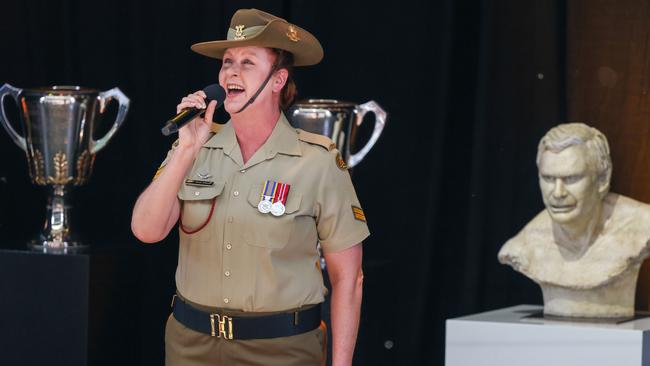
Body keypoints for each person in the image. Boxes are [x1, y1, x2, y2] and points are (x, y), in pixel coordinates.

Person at [131, 8, 369, 366]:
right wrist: (185, 151)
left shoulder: (316, 160)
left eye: (247, 62)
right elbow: (146, 230)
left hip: (282, 350)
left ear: (277, 80)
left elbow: (348, 278)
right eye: (227, 62)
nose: (232, 72)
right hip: (192, 345)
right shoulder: (196, 146)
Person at [498, 123, 650, 318]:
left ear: (603, 179)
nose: (558, 193)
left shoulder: (641, 225)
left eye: (571, 179)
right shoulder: (522, 246)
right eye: (548, 179)